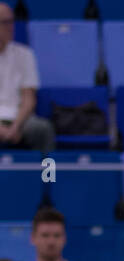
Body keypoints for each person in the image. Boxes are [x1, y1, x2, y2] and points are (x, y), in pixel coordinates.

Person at [0, 3, 54, 153]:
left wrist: (15, 126)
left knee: (42, 129)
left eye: (11, 21)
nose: (10, 27)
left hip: (19, 118)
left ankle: (48, 176)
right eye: (4, 23)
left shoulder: (25, 54)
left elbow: (28, 98)